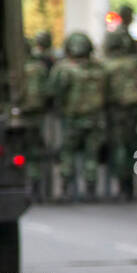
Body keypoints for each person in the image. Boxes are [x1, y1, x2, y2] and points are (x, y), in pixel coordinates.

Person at [49, 32, 107, 202]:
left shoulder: (63, 69)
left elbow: (53, 92)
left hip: (71, 119)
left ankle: (66, 189)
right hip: (95, 119)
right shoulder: (99, 68)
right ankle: (91, 190)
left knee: (67, 154)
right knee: (91, 155)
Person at [102, 29, 137, 201]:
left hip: (116, 111)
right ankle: (135, 184)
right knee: (136, 148)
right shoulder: (132, 63)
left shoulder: (107, 65)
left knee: (118, 148)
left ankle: (121, 186)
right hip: (133, 111)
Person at [22, 36, 52, 202]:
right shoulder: (39, 67)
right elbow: (48, 90)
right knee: (35, 152)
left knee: (22, 152)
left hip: (20, 114)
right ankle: (37, 188)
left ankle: (25, 187)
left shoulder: (16, 67)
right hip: (38, 115)